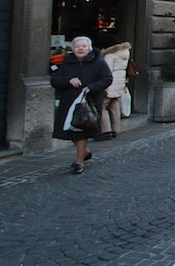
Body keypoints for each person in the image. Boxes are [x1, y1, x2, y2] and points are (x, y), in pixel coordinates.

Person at [51, 36, 112, 174]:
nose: (80, 49)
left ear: (89, 48)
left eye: (83, 46)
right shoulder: (67, 62)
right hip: (69, 102)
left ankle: (79, 161)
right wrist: (69, 80)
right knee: (70, 130)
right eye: (77, 46)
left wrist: (91, 87)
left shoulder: (98, 63)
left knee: (82, 132)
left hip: (89, 102)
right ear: (73, 49)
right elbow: (55, 80)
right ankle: (85, 152)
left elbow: (107, 79)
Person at [99, 40, 132, 140]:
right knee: (115, 107)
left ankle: (106, 131)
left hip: (111, 84)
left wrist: (104, 87)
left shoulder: (110, 55)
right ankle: (116, 130)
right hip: (119, 83)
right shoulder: (125, 52)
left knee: (102, 107)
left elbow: (107, 72)